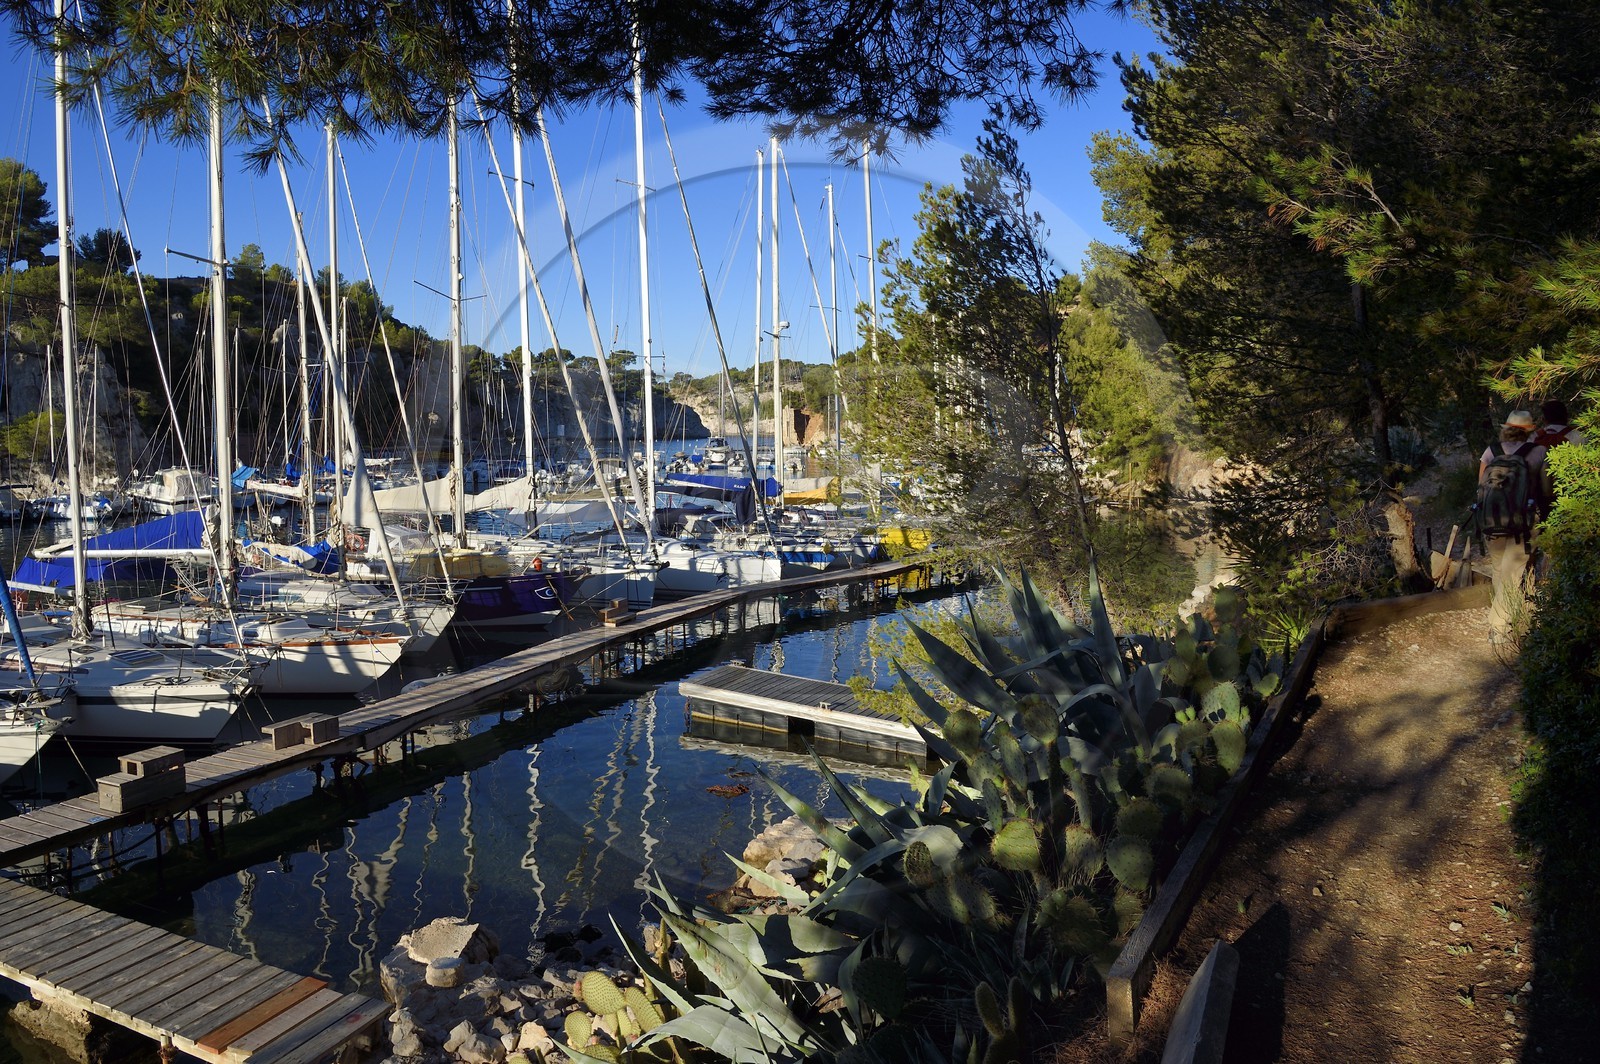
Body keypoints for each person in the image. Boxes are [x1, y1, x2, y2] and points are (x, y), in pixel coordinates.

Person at [1477, 410, 1548, 647]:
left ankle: (1516, 614)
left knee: (1500, 570)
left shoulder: (1491, 451)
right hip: (1523, 521)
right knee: (1512, 571)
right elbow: (1546, 490)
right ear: (1529, 429)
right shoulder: (1537, 452)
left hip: (1491, 520)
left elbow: (1480, 487)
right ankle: (1498, 626)